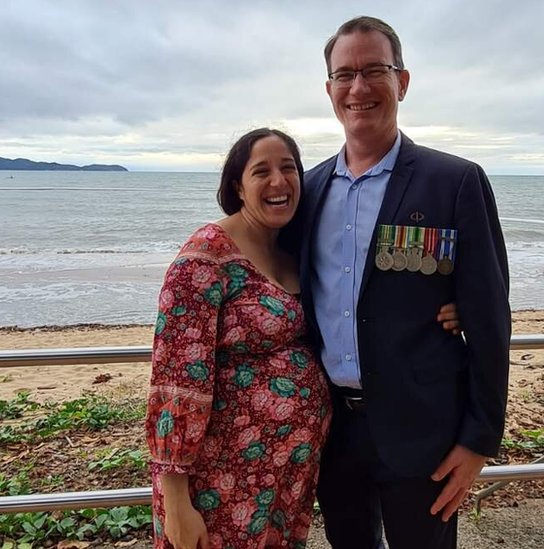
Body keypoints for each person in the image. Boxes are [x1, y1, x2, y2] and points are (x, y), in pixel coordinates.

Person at [144, 128, 462, 548]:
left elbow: (362, 296)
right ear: (237, 186)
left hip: (285, 482)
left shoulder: (295, 249)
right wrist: (176, 498)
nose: (278, 181)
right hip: (219, 485)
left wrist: (449, 304)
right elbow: (175, 383)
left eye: (288, 167)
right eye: (261, 171)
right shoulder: (205, 258)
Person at [294, 16, 512, 549]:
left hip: (426, 432)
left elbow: (489, 316)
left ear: (403, 82)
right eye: (344, 75)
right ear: (329, 90)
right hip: (332, 430)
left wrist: (480, 439)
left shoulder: (455, 181)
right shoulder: (308, 189)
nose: (358, 87)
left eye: (374, 70)